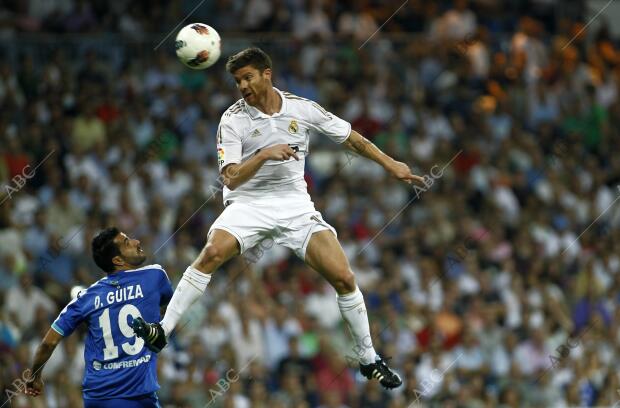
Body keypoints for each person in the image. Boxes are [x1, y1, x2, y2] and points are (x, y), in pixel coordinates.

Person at [132, 47, 424, 389]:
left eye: (248, 78)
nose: (242, 86)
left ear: (267, 74)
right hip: (249, 203)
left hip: (294, 205)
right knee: (211, 253)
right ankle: (162, 331)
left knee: (344, 277)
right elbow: (231, 178)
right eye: (238, 81)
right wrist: (266, 154)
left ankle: (369, 359)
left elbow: (351, 138)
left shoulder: (302, 109)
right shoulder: (232, 119)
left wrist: (391, 164)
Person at [24, 227, 173, 407]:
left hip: (96, 399)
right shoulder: (155, 276)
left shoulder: (85, 298)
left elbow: (49, 342)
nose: (136, 242)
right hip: (136, 397)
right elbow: (170, 308)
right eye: (127, 243)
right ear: (117, 260)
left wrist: (35, 377)